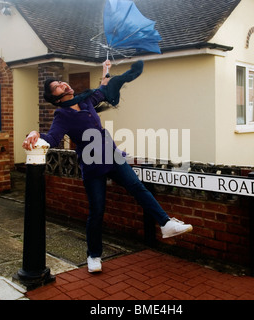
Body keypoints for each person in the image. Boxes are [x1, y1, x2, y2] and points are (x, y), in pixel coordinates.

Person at [22, 60, 193, 273]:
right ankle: (94, 255)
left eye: (61, 81)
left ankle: (166, 224)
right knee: (97, 211)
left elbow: (103, 89)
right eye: (57, 85)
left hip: (113, 155)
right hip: (93, 165)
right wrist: (33, 133)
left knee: (137, 188)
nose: (62, 84)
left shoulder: (85, 101)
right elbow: (52, 138)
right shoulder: (62, 115)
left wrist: (106, 70)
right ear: (54, 96)